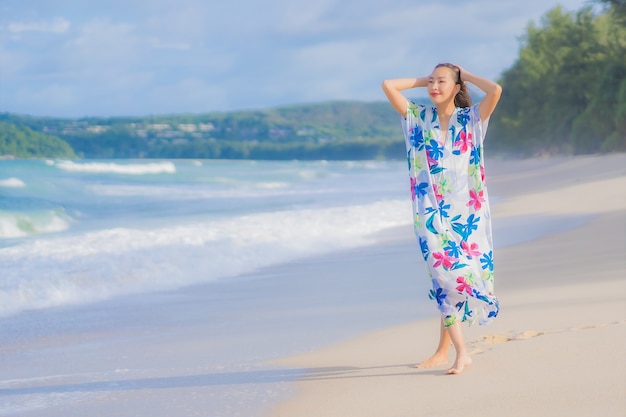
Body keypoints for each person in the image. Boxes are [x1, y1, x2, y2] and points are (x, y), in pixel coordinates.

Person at [382, 64, 502, 375]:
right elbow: (388, 85)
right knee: (442, 275)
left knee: (455, 280)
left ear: (456, 84)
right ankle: (461, 352)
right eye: (431, 82)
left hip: (468, 214)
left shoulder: (471, 118)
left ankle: (443, 350)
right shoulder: (418, 117)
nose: (433, 86)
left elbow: (496, 91)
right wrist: (425, 80)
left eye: (441, 81)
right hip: (431, 213)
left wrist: (466, 76)